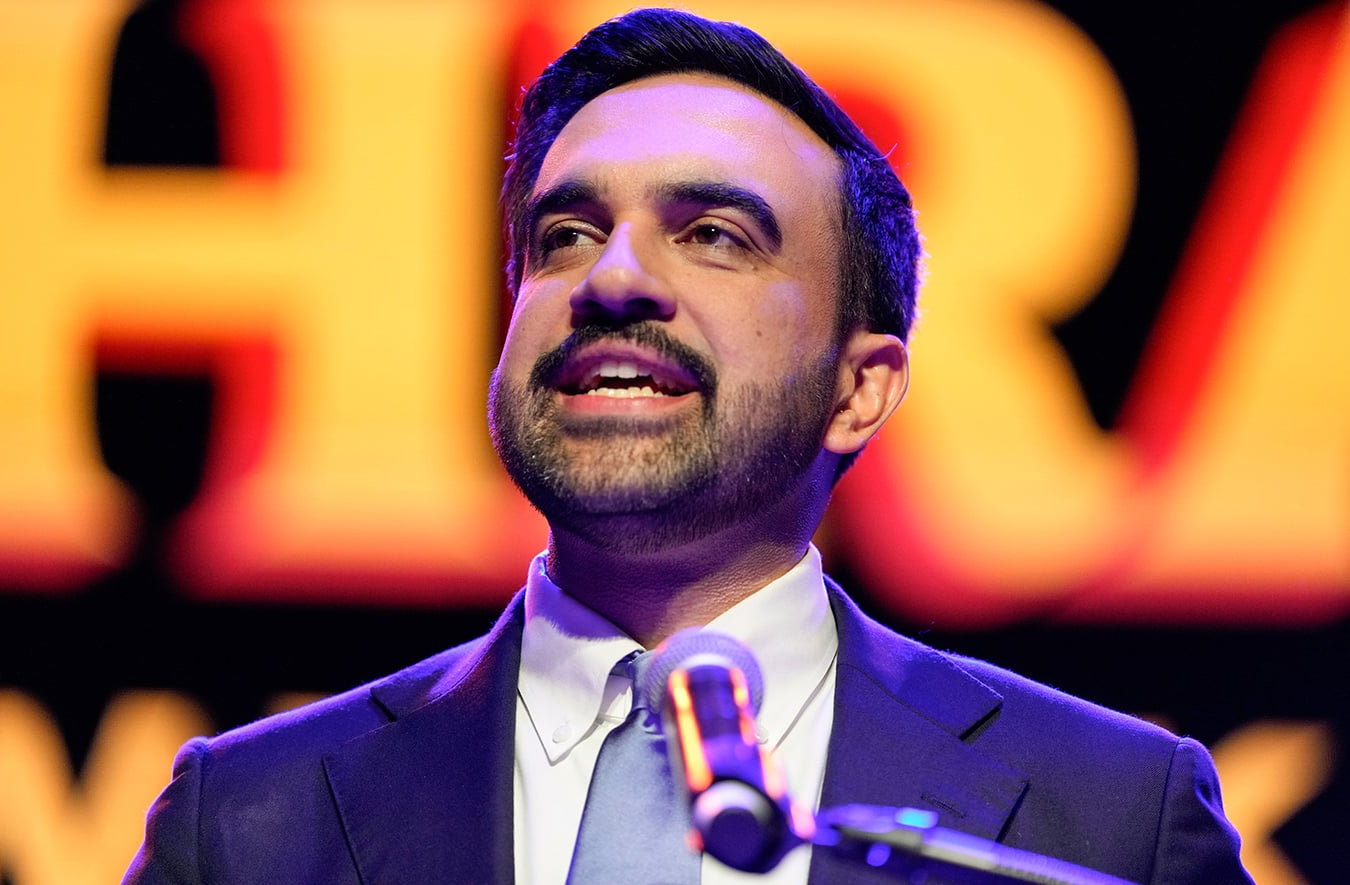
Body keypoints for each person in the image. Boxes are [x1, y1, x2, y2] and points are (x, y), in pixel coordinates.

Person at [124, 8, 1252, 884]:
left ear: (859, 390)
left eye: (712, 234)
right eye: (566, 235)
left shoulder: (1107, 816)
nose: (611, 277)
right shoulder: (248, 819)